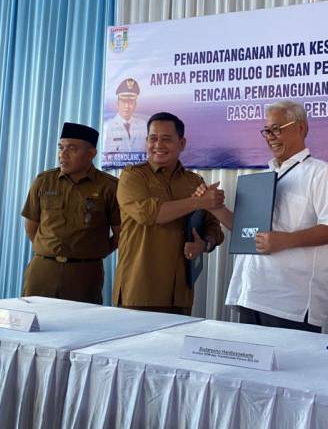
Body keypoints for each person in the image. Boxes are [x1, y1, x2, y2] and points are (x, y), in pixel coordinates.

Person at [198, 100, 328, 333]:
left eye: (277, 129)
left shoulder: (320, 172)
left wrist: (286, 240)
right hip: (251, 294)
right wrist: (216, 208)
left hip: (289, 302)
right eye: (267, 131)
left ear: (300, 128)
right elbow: (247, 232)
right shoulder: (265, 174)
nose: (270, 137)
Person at [114, 112, 224, 314]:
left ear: (182, 143)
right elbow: (149, 214)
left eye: (166, 139)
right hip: (139, 291)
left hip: (180, 293)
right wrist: (198, 201)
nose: (158, 145)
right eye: (153, 138)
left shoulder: (194, 181)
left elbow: (213, 227)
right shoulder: (132, 177)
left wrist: (204, 244)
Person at [21, 122, 120, 304]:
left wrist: (95, 252)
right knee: (35, 317)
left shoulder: (109, 187)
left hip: (84, 273)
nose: (63, 154)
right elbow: (31, 227)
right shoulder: (44, 181)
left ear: (91, 154)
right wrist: (49, 250)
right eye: (61, 148)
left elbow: (121, 233)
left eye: (72, 149)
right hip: (43, 269)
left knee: (80, 321)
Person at [103, 77, 148, 152]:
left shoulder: (143, 125)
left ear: (135, 104)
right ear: (117, 104)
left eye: (130, 102)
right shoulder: (108, 126)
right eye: (123, 102)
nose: (127, 106)